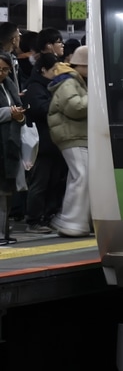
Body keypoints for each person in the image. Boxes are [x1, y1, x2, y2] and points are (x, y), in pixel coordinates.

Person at [47, 45, 89, 237]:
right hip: (71, 135)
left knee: (79, 176)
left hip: (74, 135)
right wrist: (95, 97)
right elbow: (75, 108)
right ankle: (71, 222)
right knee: (82, 175)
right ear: (82, 65)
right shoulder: (69, 83)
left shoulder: (75, 81)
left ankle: (71, 220)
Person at [23, 51, 67, 234]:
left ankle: (48, 216)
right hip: (42, 143)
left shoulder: (50, 85)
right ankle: (33, 220)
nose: (57, 72)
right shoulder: (35, 88)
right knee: (40, 183)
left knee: (53, 182)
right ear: (43, 70)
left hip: (54, 142)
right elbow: (42, 109)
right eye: (53, 69)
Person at [0, 57, 27, 244]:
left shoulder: (8, 84)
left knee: (7, 190)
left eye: (5, 69)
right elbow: (10, 110)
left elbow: (19, 112)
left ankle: (4, 232)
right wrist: (10, 112)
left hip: (9, 143)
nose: (2, 73)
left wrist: (18, 116)